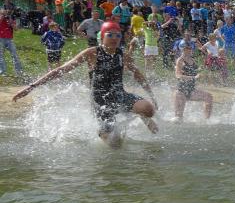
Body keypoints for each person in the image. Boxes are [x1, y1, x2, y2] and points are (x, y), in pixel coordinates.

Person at [13, 22, 158, 148]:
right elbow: (61, 70)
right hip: (100, 101)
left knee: (148, 109)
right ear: (102, 36)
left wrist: (151, 95)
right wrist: (31, 87)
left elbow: (138, 75)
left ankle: (143, 116)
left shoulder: (123, 55)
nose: (114, 38)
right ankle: (103, 131)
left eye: (118, 35)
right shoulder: (91, 53)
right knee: (115, 145)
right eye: (110, 35)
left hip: (120, 95)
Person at [173, 40, 213, 120]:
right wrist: (194, 77)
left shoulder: (192, 60)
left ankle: (206, 121)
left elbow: (195, 71)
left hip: (191, 90)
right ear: (183, 49)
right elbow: (178, 75)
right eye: (189, 48)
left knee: (208, 97)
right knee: (178, 119)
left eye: (191, 48)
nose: (191, 50)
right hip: (181, 91)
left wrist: (201, 72)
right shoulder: (180, 60)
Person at [0, 10, 23, 76]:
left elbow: (16, 29)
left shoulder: (10, 19)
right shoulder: (1, 18)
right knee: (0, 56)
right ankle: (3, 71)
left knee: (14, 55)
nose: (5, 15)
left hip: (9, 39)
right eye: (3, 13)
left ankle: (19, 71)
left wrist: (11, 23)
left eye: (6, 13)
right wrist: (2, 17)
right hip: (0, 39)